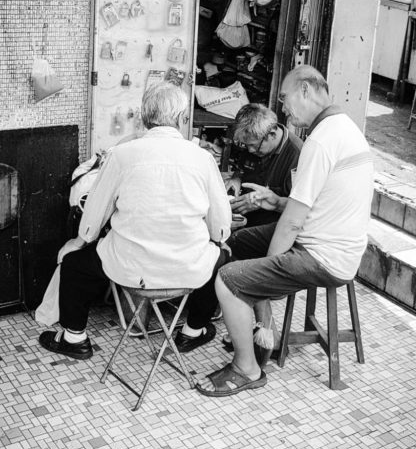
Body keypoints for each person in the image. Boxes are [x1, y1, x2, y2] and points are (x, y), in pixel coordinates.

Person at [197, 65, 373, 398]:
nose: (283, 108)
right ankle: (259, 330)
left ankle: (247, 368)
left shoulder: (320, 141)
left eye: (284, 97)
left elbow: (292, 223)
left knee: (229, 279)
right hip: (327, 240)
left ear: (305, 90)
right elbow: (308, 205)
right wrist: (276, 201)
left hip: (323, 255)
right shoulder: (342, 127)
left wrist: (264, 278)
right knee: (234, 243)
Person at [38, 81, 232, 360]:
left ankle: (74, 339)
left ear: (143, 118)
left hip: (129, 268)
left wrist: (80, 240)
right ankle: (192, 331)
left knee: (73, 264)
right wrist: (218, 240)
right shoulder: (203, 159)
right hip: (188, 267)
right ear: (182, 118)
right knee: (223, 260)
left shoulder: (121, 155)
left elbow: (95, 213)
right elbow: (221, 227)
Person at [228, 103, 302, 226]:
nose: (250, 151)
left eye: (253, 145)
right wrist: (236, 179)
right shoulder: (252, 141)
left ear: (272, 134)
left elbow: (301, 209)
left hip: (274, 226)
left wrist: (269, 202)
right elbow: (241, 169)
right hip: (246, 219)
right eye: (245, 145)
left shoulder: (298, 156)